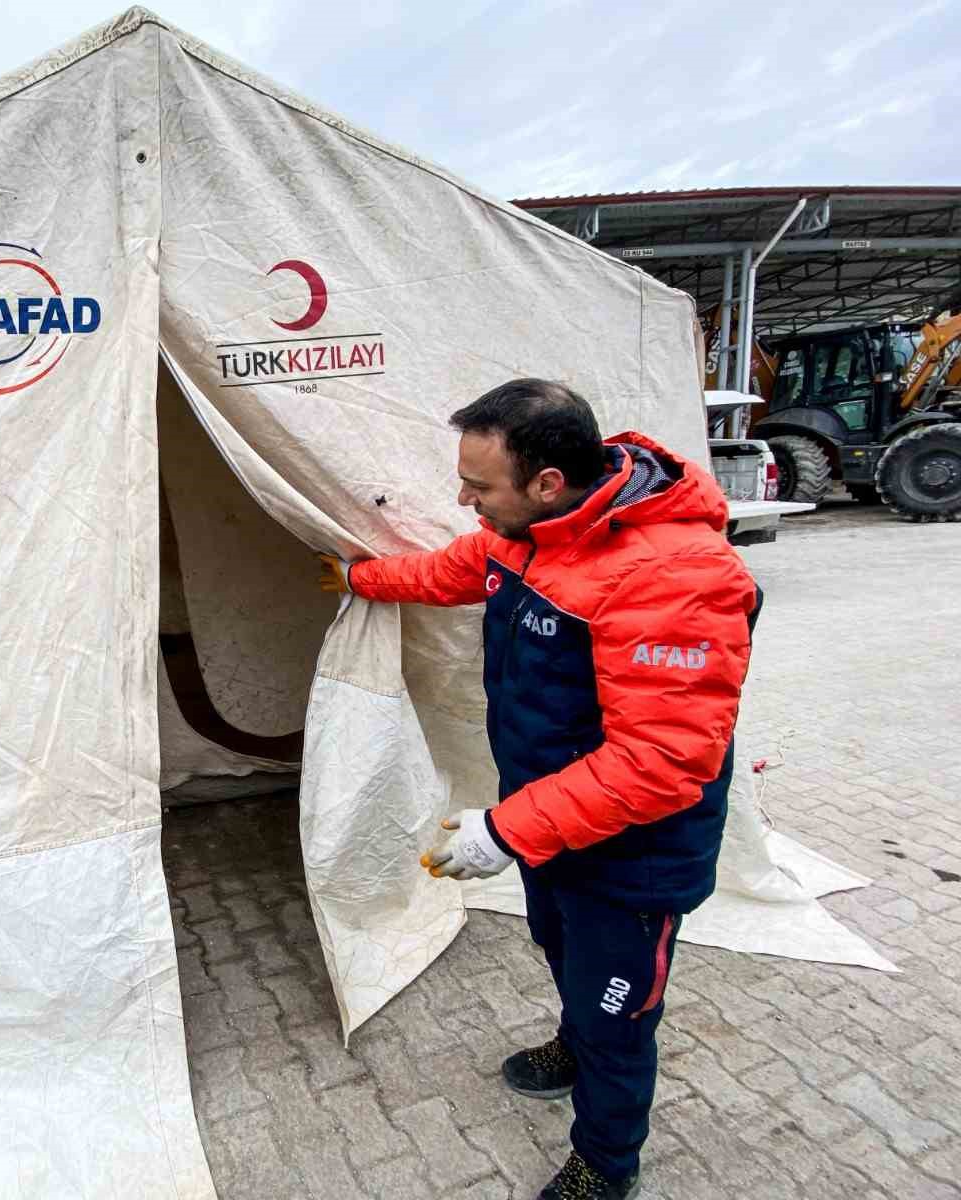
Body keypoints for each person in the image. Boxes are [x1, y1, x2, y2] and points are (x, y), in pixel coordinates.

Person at [318, 378, 760, 1200]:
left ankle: (606, 1163)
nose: (462, 498)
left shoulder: (676, 576)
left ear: (547, 482)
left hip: (635, 857)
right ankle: (572, 1035)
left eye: (478, 486)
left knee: (618, 1016)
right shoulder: (528, 535)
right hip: (553, 827)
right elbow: (454, 570)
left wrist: (503, 832)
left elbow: (663, 762)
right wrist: (359, 579)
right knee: (561, 951)